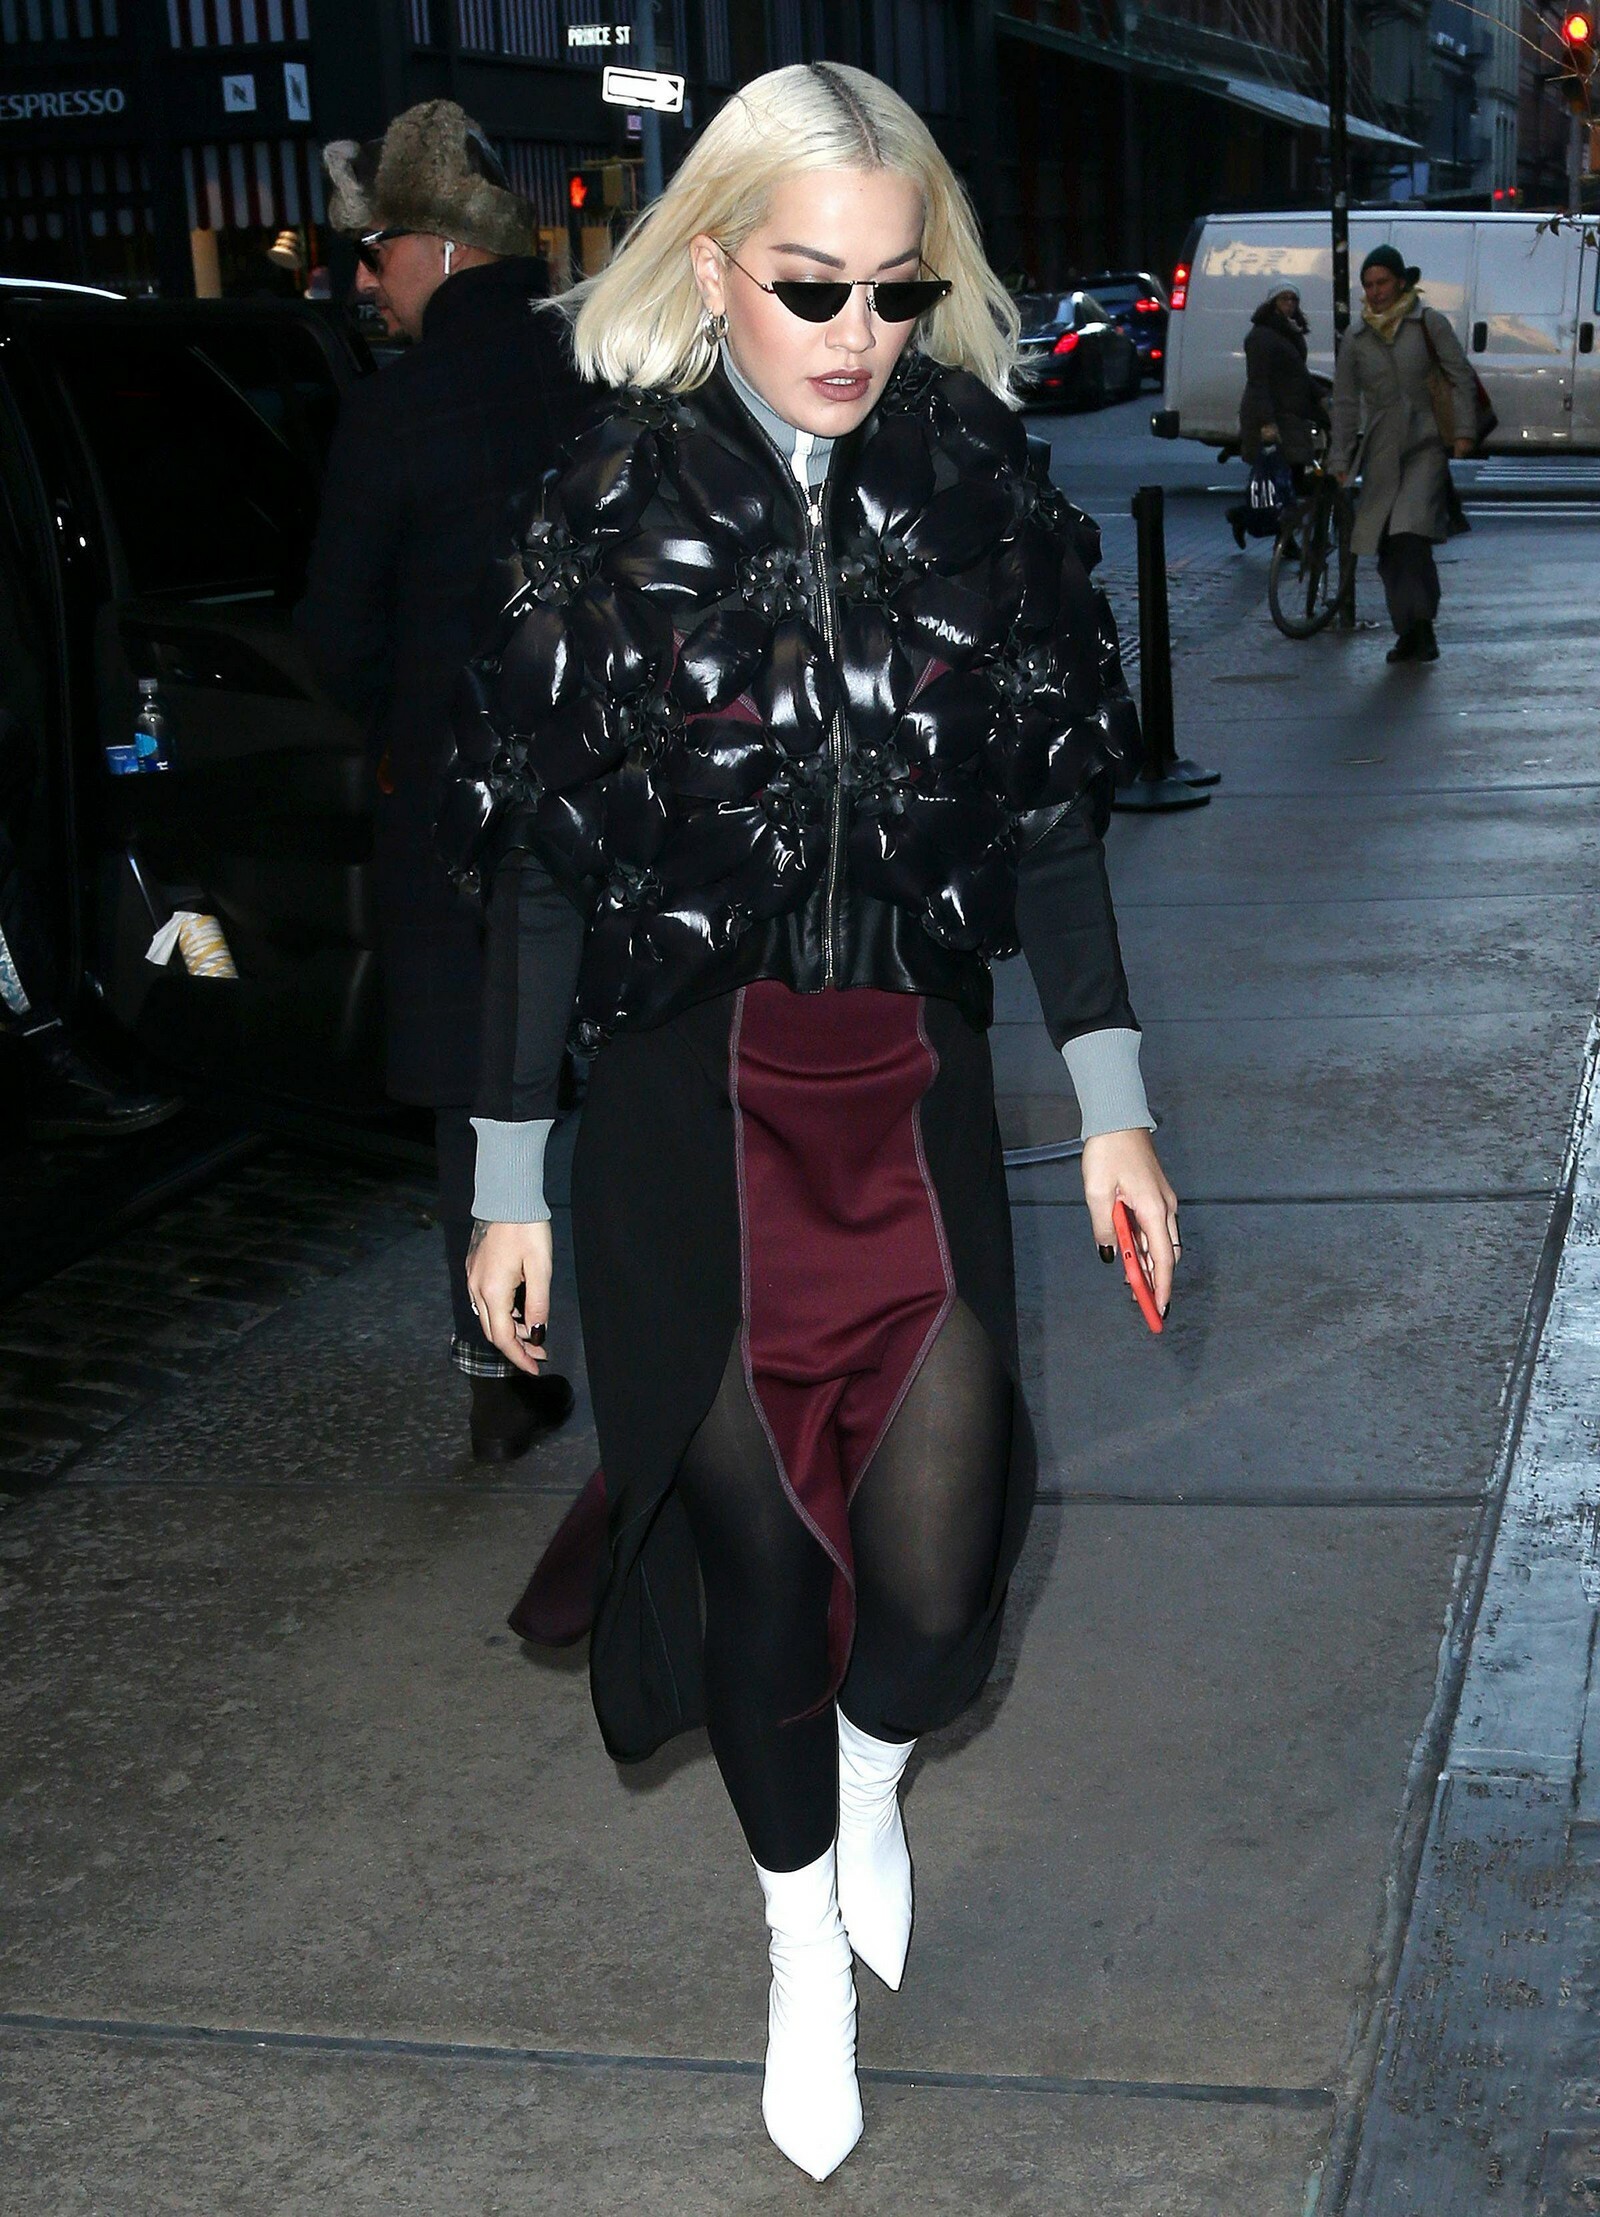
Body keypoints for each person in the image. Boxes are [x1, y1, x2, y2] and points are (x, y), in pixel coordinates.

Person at [448, 62, 1179, 2182]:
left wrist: (1112, 1104)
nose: (861, 333)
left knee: (937, 1584)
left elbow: (1055, 819)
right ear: (710, 267)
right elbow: (538, 875)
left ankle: (867, 1775)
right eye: (812, 286)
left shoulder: (981, 487)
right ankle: (793, 1938)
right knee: (762, 1568)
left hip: (907, 1091)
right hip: (685, 1111)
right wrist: (509, 1179)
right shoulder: (602, 509)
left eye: (896, 288)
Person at [296, 100, 587, 1462]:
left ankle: (501, 1373)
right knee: (635, 1068)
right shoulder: (601, 375)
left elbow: (334, 634)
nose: (364, 278)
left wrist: (406, 727)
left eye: (377, 251)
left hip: (456, 814)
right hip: (609, 791)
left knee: (483, 1094)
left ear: (445, 249)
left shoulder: (396, 412)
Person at [1329, 244, 1476, 663]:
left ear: (1400, 282)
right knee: (1388, 545)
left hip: (1425, 443)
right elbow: (1344, 403)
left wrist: (1463, 432)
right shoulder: (1356, 338)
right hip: (1380, 450)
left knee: (1409, 533)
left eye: (1382, 282)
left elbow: (1459, 376)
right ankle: (1408, 629)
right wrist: (1340, 458)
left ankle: (1422, 626)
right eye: (1368, 285)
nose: (1375, 292)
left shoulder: (1428, 323)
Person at [1227, 284, 1327, 551]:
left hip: (1290, 415)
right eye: (1284, 298)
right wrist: (1267, 422)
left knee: (1287, 480)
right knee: (1283, 481)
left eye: (1294, 299)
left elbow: (1298, 372)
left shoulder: (1288, 331)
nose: (1290, 303)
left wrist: (1320, 395)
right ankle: (1283, 540)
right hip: (1273, 416)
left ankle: (1250, 521)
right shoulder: (1262, 336)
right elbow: (1258, 382)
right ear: (1272, 302)